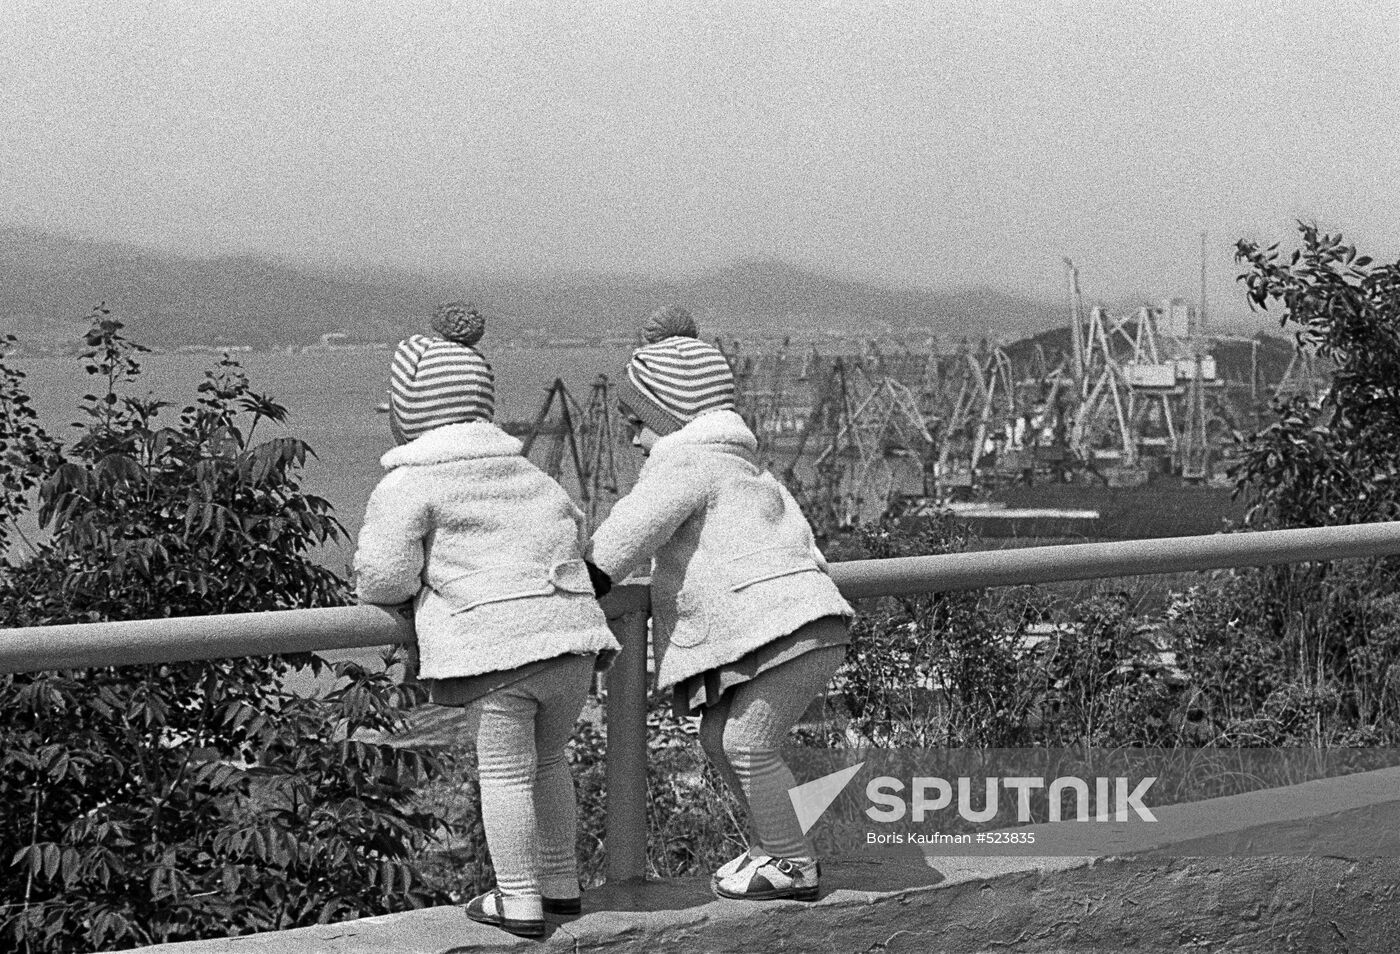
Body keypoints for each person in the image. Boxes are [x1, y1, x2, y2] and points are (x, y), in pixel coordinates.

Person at [353, 301, 618, 939]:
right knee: (551, 764)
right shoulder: (530, 474)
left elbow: (384, 577)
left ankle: (519, 898)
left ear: (408, 413)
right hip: (572, 642)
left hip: (498, 648)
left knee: (504, 773)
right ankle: (562, 888)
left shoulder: (412, 481)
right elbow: (576, 538)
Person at [588, 305, 854, 902]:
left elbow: (632, 530)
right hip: (803, 622)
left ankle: (793, 864)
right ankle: (772, 848)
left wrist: (589, 575)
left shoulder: (686, 461)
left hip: (781, 629)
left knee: (746, 744)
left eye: (637, 421)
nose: (631, 436)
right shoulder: (743, 463)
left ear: (670, 417)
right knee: (720, 739)